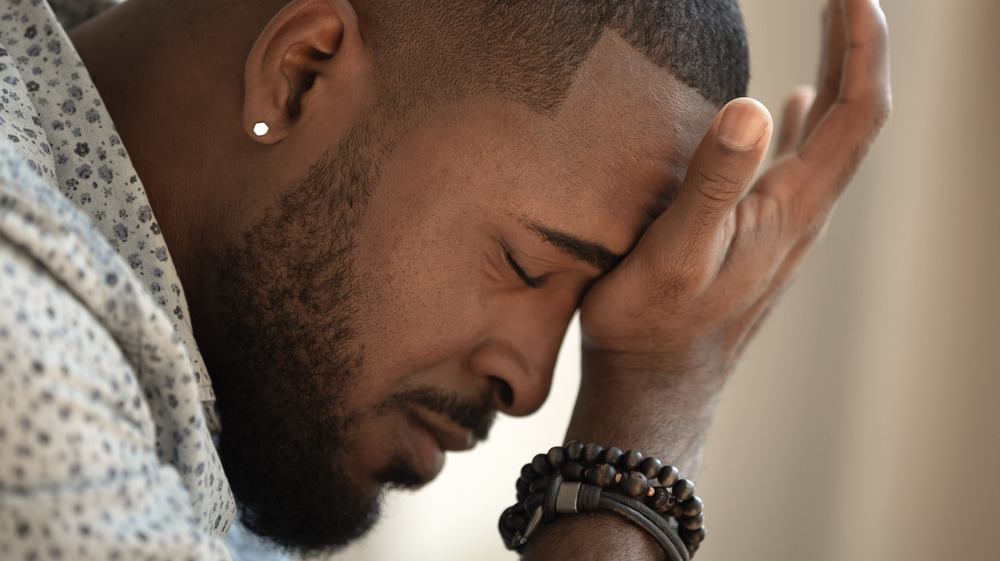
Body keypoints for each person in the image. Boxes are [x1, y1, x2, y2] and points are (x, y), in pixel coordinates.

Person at [0, 0, 890, 559]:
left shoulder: (220, 364)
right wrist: (653, 406)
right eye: (527, 264)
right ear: (299, 75)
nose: (533, 387)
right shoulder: (20, 336)